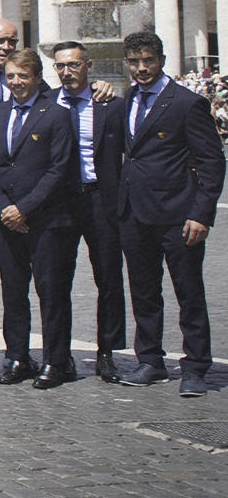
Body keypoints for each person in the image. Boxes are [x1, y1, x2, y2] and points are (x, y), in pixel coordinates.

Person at [104, 31, 223, 396]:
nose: (141, 68)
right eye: (135, 62)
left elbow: (212, 161)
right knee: (144, 292)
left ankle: (196, 366)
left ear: (161, 60)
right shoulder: (126, 100)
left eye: (148, 61)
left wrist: (202, 213)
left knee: (189, 293)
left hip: (177, 214)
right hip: (135, 214)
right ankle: (151, 360)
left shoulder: (186, 103)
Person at [0, 48, 76, 389]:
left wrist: (26, 208)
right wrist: (4, 208)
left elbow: (59, 169)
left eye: (23, 76)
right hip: (6, 220)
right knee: (13, 292)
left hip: (46, 218)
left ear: (37, 78)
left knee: (51, 292)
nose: (16, 82)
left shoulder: (55, 114)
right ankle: (17, 355)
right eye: (10, 76)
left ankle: (55, 359)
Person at [52, 41, 126, 382]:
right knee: (56, 281)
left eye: (74, 65)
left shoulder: (109, 104)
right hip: (61, 202)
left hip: (101, 200)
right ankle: (59, 355)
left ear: (89, 65)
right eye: (61, 66)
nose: (67, 72)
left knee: (109, 279)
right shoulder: (47, 103)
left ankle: (107, 352)